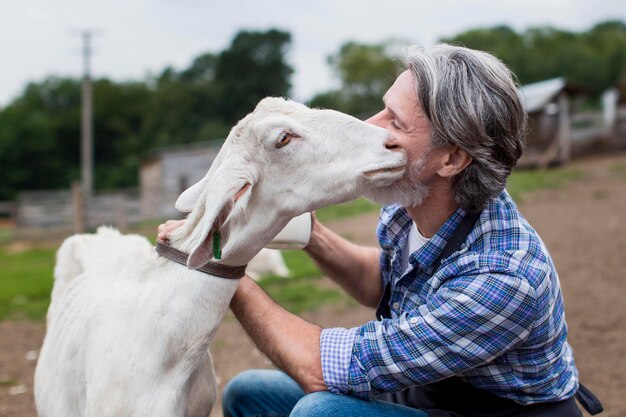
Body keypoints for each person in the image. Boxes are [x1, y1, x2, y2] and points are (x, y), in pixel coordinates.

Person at [158, 44, 601, 417]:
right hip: (427, 391)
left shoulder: (505, 279)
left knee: (320, 412)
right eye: (384, 108)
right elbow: (385, 281)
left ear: (451, 160)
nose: (372, 128)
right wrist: (313, 236)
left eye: (396, 123)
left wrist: (225, 264)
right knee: (247, 394)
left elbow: (318, 366)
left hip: (491, 411)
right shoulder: (411, 199)